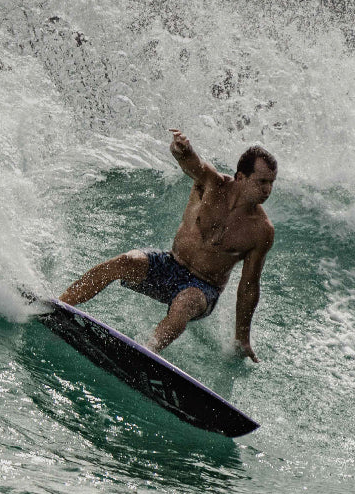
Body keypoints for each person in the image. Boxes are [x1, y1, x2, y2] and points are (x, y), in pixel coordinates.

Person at [59, 129, 276, 361]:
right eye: (261, 181)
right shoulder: (212, 183)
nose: (267, 190)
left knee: (185, 303)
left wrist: (242, 337)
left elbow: (249, 286)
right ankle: (59, 307)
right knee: (126, 261)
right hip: (171, 263)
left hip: (204, 289)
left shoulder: (261, 230)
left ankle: (144, 353)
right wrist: (182, 149)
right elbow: (192, 164)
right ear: (241, 177)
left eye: (271, 183)